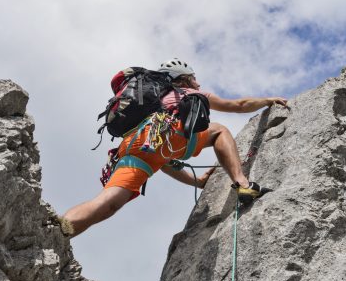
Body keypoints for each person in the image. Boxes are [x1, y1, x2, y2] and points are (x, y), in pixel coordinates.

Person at [60, 58, 288, 237]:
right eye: (194, 78)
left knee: (107, 203)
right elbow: (238, 105)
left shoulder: (155, 104)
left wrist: (197, 181)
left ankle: (60, 228)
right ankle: (243, 184)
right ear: (184, 80)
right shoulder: (188, 94)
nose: (198, 83)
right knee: (219, 130)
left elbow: (161, 160)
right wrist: (268, 100)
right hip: (168, 133)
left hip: (136, 145)